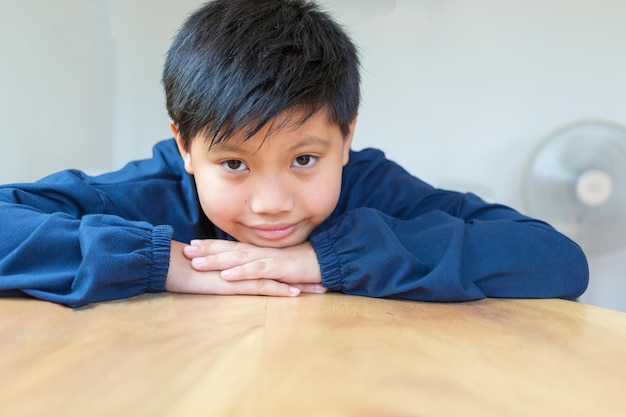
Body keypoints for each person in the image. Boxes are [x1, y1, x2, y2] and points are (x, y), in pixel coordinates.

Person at [0, 0, 588, 307]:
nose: (272, 203)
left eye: (304, 160)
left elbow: (556, 259)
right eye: (234, 164)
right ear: (184, 144)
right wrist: (160, 263)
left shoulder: (371, 187)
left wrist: (332, 258)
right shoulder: (147, 195)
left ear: (346, 137)